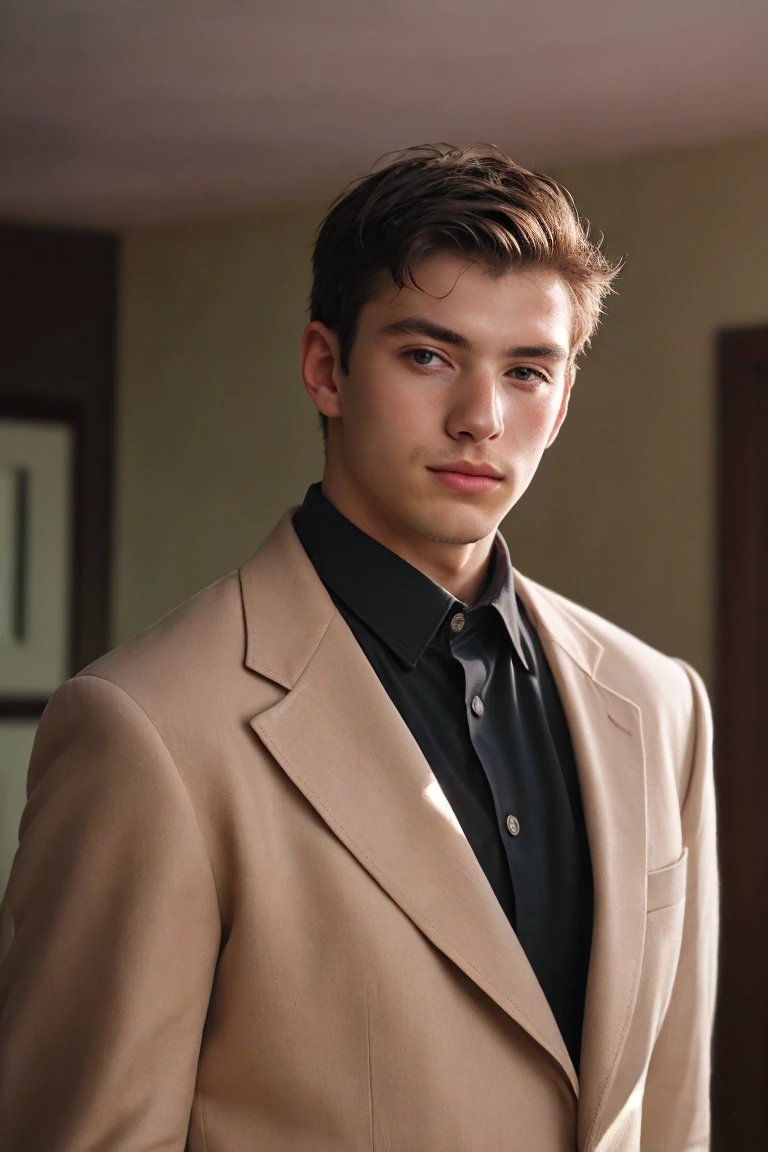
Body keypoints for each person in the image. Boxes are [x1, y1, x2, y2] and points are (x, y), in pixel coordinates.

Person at [0, 144, 718, 1151]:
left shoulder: (660, 704)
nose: (481, 419)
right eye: (428, 356)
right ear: (325, 368)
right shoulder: (151, 731)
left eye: (526, 371)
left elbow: (672, 1110)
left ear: (562, 398)